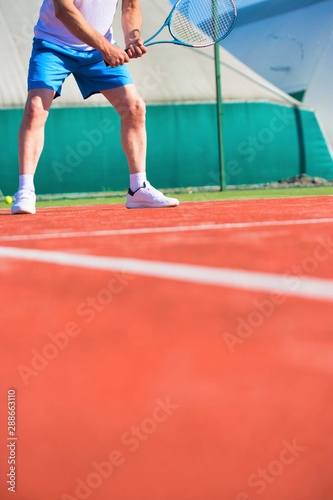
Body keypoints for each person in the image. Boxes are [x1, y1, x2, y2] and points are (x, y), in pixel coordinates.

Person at [11, 0, 179, 215]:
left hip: (97, 52)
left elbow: (130, 6)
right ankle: (25, 190)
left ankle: (138, 188)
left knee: (134, 107)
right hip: (53, 46)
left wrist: (132, 36)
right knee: (36, 109)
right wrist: (106, 47)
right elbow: (64, 10)